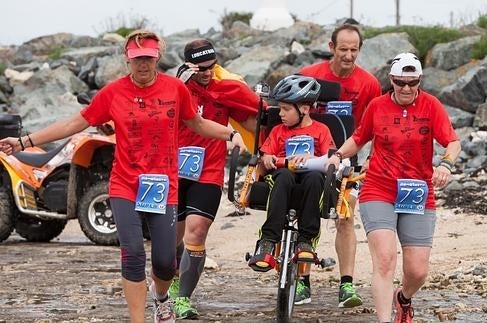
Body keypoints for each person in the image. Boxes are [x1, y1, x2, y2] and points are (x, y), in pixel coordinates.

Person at [0, 29, 246, 323]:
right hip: (125, 185)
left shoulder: (174, 89)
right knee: (132, 255)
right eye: (136, 59)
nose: (143, 64)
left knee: (165, 262)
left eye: (148, 58)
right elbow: (74, 123)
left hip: (162, 186)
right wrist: (25, 141)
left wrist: (230, 134)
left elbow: (196, 122)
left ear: (157, 58)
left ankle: (161, 298)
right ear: (127, 60)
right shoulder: (113, 92)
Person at [326, 53, 461, 323]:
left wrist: (445, 165)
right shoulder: (377, 106)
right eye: (401, 83)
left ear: (420, 81)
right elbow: (358, 138)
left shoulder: (431, 105)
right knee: (385, 259)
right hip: (380, 188)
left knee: (418, 271)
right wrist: (337, 155)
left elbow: (453, 142)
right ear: (391, 80)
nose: (407, 89)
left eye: (413, 83)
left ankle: (404, 298)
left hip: (417, 190)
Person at [168, 38, 260, 319]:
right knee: (172, 239)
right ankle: (171, 276)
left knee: (197, 231)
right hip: (173, 170)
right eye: (200, 68)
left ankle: (183, 299)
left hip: (208, 171)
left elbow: (253, 120)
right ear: (188, 66)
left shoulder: (228, 89)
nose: (207, 72)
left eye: (211, 66)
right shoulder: (175, 89)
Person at [298, 23, 381, 308]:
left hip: (347, 156)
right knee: (303, 213)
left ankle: (346, 284)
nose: (348, 55)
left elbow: (374, 126)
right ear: (331, 47)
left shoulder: (368, 83)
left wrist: (372, 157)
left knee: (345, 217)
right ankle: (301, 282)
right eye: (343, 49)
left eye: (354, 50)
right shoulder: (309, 76)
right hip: (308, 156)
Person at [247, 74, 336, 273]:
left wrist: (312, 158)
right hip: (282, 176)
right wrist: (268, 158)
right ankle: (268, 240)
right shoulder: (278, 131)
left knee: (315, 178)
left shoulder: (321, 131)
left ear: (305, 108)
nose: (281, 114)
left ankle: (306, 241)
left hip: (310, 177)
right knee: (285, 176)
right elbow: (266, 155)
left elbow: (331, 159)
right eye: (280, 108)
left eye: (286, 109)